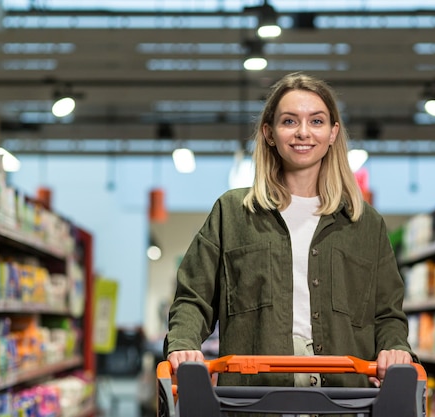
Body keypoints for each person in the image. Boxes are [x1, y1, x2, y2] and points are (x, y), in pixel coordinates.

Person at [164, 72, 417, 390]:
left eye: (316, 121)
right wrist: (183, 344)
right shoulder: (232, 213)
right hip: (253, 400)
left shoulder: (365, 224)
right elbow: (193, 298)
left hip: (343, 401)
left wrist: (395, 349)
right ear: (269, 133)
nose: (303, 133)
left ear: (333, 133)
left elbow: (387, 314)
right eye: (289, 121)